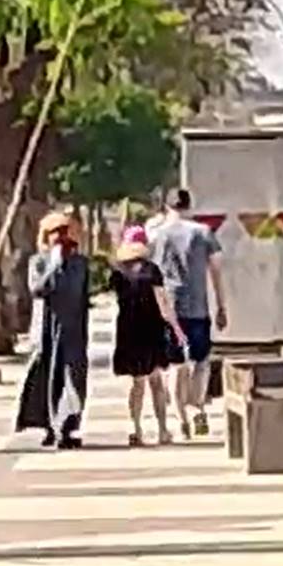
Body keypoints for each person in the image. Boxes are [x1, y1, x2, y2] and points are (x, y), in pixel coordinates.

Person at [148, 188, 228, 439]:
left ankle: (181, 418)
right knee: (201, 363)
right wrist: (221, 306)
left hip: (169, 309)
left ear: (167, 207)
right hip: (198, 307)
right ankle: (197, 408)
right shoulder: (203, 233)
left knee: (176, 365)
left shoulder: (157, 235)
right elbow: (216, 270)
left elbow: (151, 275)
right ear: (189, 206)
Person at [17, 212, 90, 449]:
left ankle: (68, 427)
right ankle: (50, 426)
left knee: (73, 378)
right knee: (47, 378)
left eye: (64, 232)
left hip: (72, 329)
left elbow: (79, 294)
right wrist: (54, 265)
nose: (60, 237)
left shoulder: (80, 263)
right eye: (54, 233)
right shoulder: (38, 262)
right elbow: (38, 289)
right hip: (46, 329)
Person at [111, 225, 186, 447]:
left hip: (128, 330)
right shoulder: (152, 270)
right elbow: (163, 303)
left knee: (137, 383)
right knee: (156, 381)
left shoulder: (118, 272)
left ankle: (135, 429)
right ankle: (162, 430)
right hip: (151, 329)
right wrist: (176, 328)